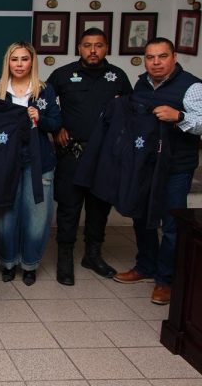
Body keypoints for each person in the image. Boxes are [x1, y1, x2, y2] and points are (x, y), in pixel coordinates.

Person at [114, 38, 202, 305]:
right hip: (144, 165)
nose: (156, 62)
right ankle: (145, 266)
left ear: (174, 57)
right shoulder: (141, 84)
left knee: (172, 224)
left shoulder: (192, 86)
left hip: (175, 168)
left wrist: (179, 117)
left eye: (162, 56)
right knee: (141, 217)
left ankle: (165, 280)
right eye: (150, 57)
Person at [47, 28, 133, 286]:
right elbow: (45, 105)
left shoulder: (118, 76)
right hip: (73, 152)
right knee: (69, 208)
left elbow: (130, 113)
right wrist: (56, 128)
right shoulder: (62, 74)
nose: (93, 50)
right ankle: (65, 259)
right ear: (79, 48)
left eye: (98, 45)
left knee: (99, 208)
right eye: (87, 45)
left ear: (107, 48)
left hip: (105, 156)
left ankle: (93, 256)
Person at [0, 42, 61, 286]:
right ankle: (8, 263)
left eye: (24, 59)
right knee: (6, 217)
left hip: (39, 161)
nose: (19, 64)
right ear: (8, 63)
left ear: (32, 62)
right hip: (6, 163)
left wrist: (40, 118)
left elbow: (56, 123)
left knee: (37, 217)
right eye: (14, 59)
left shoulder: (45, 90)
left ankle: (30, 264)